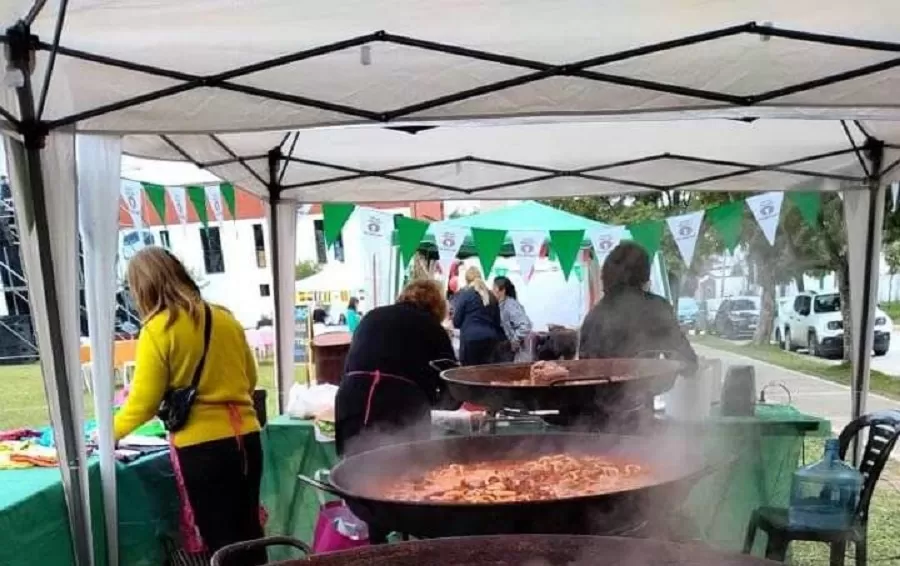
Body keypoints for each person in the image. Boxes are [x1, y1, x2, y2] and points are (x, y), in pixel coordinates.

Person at [113, 247, 265, 565]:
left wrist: (106, 433)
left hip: (203, 448)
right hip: (247, 439)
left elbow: (142, 404)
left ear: (142, 288)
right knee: (249, 532)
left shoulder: (158, 329)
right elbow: (249, 380)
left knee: (221, 540)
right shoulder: (226, 318)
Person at [335, 279, 458, 458]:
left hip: (351, 399)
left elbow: (351, 364)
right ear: (438, 306)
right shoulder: (432, 327)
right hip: (398, 403)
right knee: (404, 472)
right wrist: (445, 403)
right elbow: (451, 380)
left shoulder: (371, 316)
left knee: (354, 466)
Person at [579, 242, 697, 366]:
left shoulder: (593, 317)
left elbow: (584, 368)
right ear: (644, 275)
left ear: (605, 275)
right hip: (648, 383)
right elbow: (687, 361)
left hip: (599, 384)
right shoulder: (656, 308)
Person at [453, 267, 505, 365]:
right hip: (490, 339)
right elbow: (497, 322)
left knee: (470, 372)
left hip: (471, 339)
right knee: (486, 372)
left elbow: (456, 321)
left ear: (467, 280)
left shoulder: (465, 293)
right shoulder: (491, 295)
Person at [492, 276, 533, 362]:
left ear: (502, 290)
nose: (492, 291)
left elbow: (525, 325)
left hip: (511, 352)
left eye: (494, 288)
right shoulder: (500, 305)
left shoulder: (510, 305)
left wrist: (514, 341)